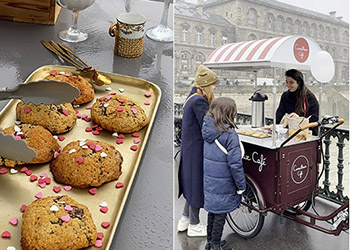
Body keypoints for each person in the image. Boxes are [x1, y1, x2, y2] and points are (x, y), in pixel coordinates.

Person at [178, 65, 218, 237]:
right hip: (196, 149)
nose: (215, 88)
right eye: (213, 85)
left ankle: (185, 218)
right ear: (207, 85)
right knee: (196, 185)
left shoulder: (191, 97)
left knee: (190, 183)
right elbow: (207, 127)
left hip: (188, 147)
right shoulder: (200, 101)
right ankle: (194, 225)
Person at [202, 97, 246, 250]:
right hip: (224, 181)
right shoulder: (229, 134)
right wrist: (241, 186)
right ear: (230, 113)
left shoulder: (208, 129)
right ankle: (215, 246)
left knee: (213, 212)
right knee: (220, 214)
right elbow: (235, 164)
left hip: (210, 180)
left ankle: (210, 242)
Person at [276, 69, 319, 135]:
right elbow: (279, 113)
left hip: (305, 134)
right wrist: (275, 125)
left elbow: (314, 118)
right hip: (289, 133)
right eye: (286, 82)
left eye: (291, 82)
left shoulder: (309, 97)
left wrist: (298, 119)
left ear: (299, 83)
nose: (288, 85)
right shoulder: (285, 95)